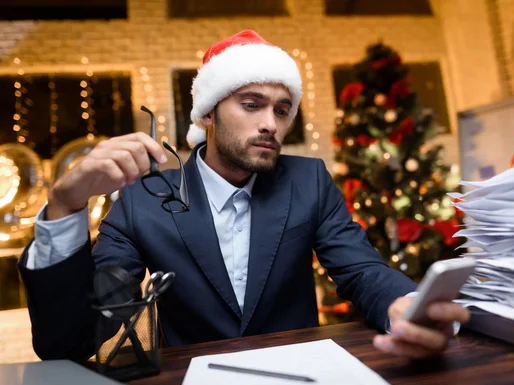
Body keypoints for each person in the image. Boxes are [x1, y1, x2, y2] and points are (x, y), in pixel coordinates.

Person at [18, 30, 469, 363]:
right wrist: (64, 204)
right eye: (251, 105)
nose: (271, 123)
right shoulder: (143, 201)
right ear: (209, 114)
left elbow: (361, 270)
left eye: (282, 109)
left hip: (305, 378)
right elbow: (69, 343)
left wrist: (400, 305)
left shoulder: (308, 180)